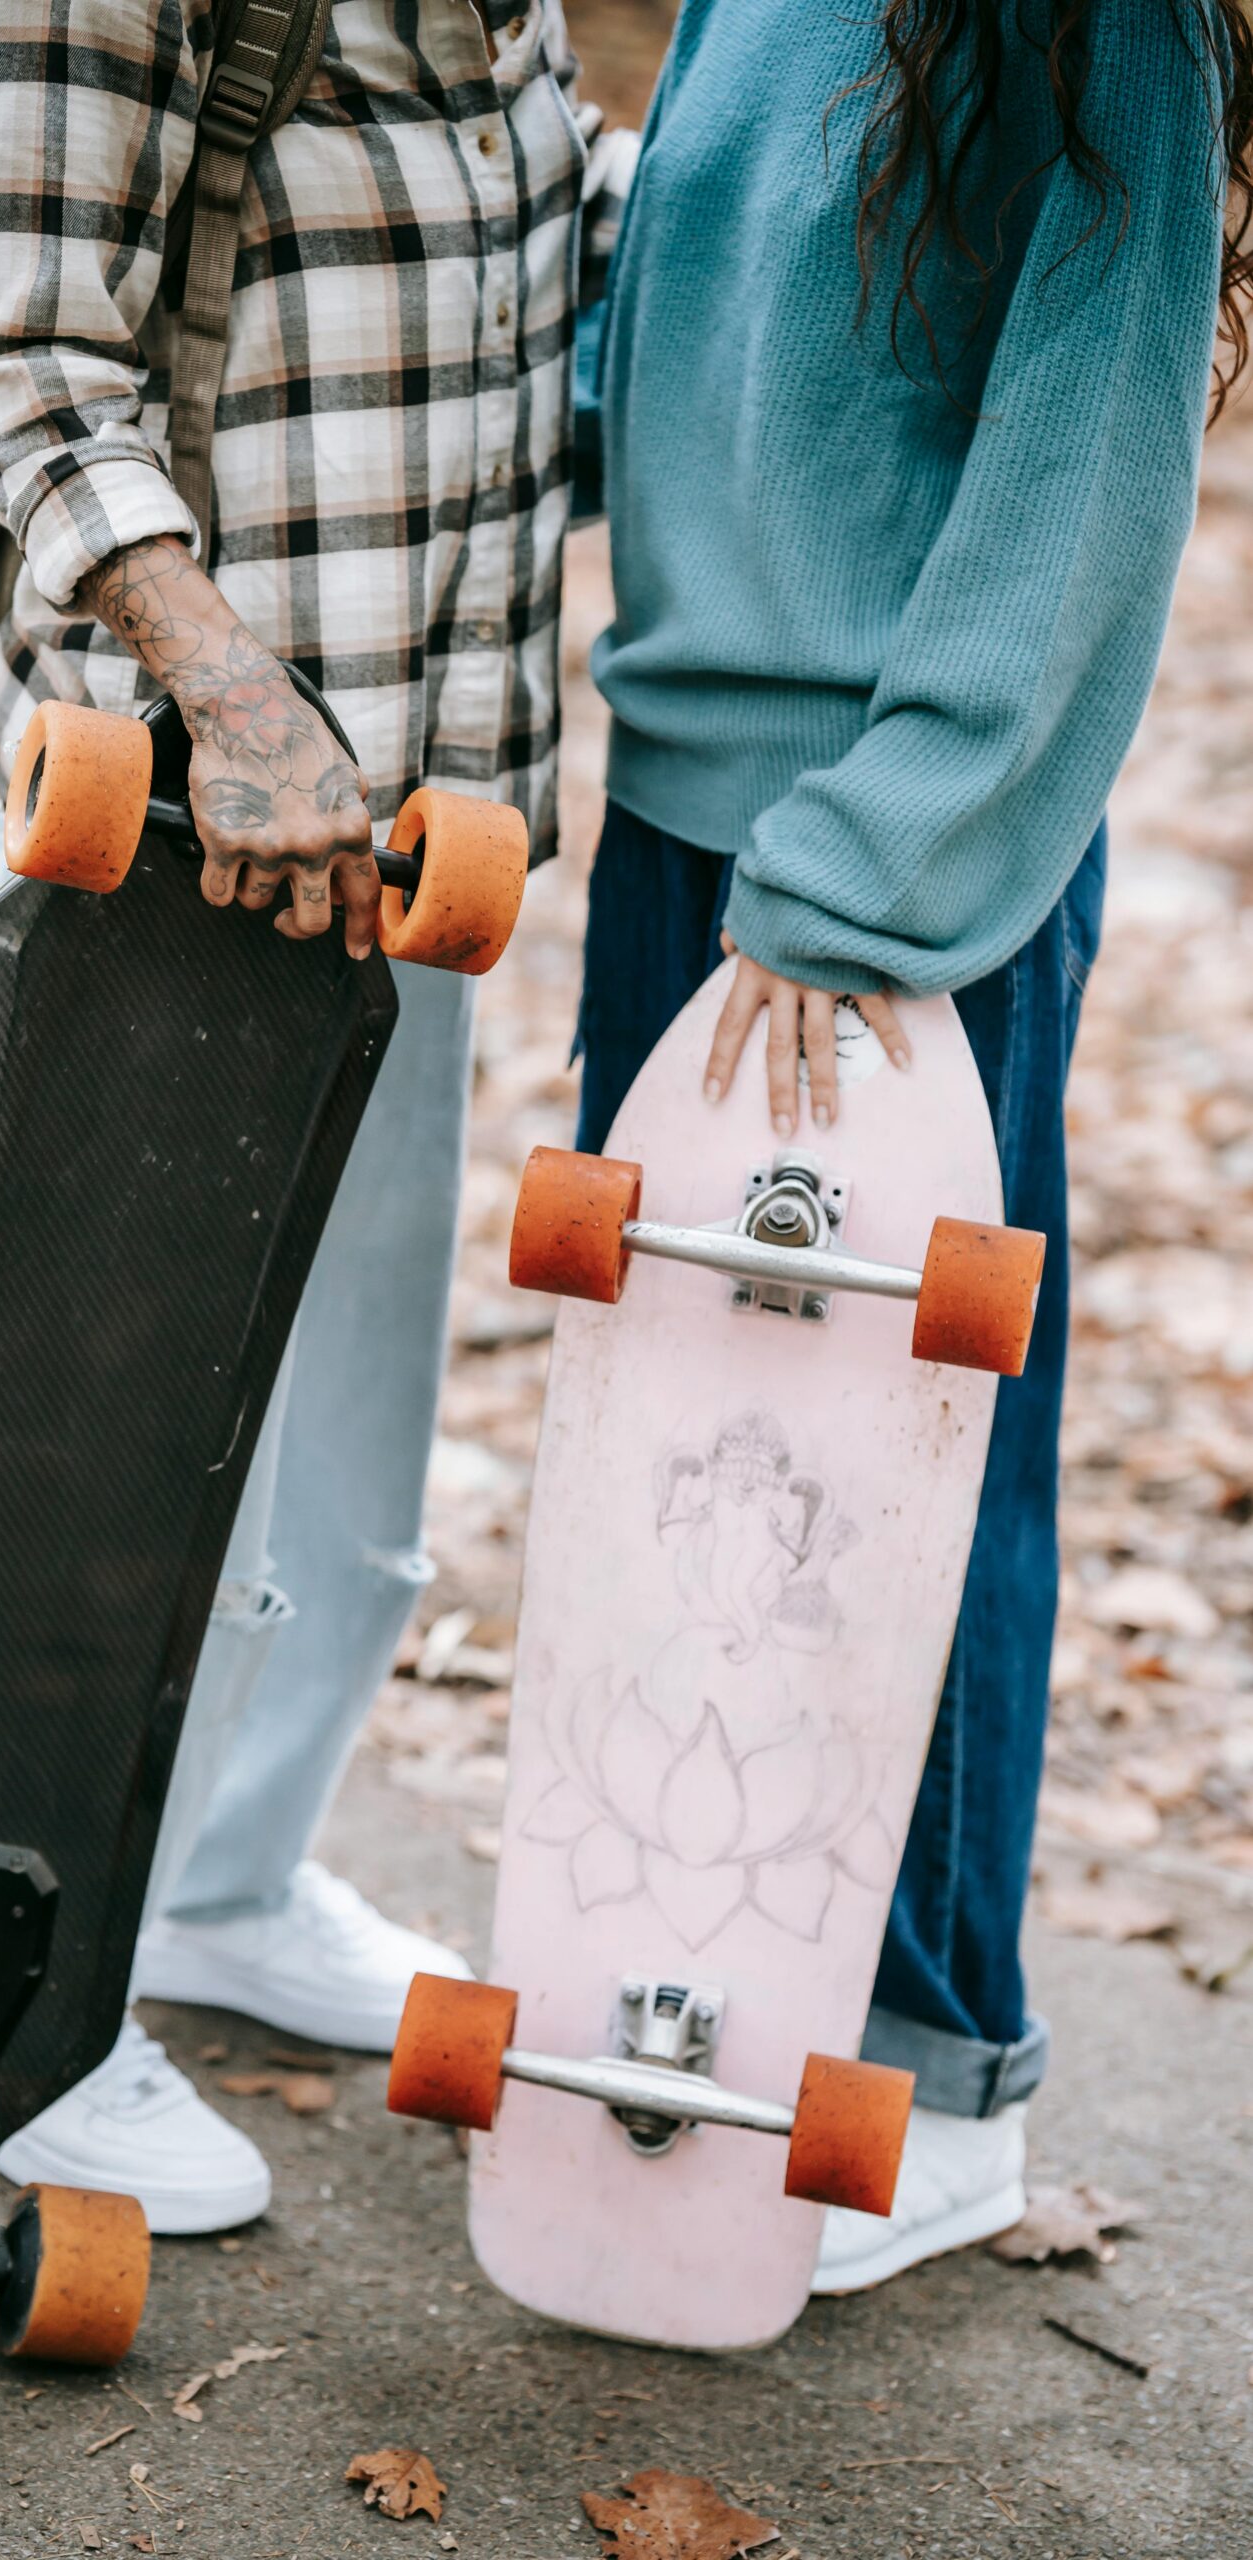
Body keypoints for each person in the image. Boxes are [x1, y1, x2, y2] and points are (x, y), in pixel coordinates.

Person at [0, 0, 630, 2233]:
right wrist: (229, 691)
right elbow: (28, 355)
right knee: (115, 1479)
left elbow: (552, 247)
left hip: (417, 833)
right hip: (185, 824)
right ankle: (17, 2006)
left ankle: (220, 1888)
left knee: (338, 1492)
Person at [578, 0, 1249, 2290]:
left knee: (910, 1482)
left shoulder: (1108, 32)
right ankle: (713, 2003)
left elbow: (1076, 486)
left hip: (893, 886)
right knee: (694, 1480)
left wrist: (865, 879)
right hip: (678, 828)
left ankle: (936, 2068)